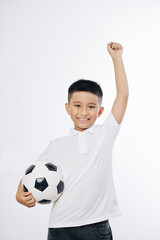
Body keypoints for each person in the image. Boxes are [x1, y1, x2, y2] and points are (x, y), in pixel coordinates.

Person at [16, 41, 129, 240]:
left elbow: (123, 95)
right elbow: (32, 173)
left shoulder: (105, 134)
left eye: (91, 107)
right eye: (77, 105)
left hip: (96, 227)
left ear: (100, 111)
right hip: (60, 227)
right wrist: (20, 193)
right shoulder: (56, 145)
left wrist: (117, 59)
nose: (84, 112)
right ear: (68, 108)